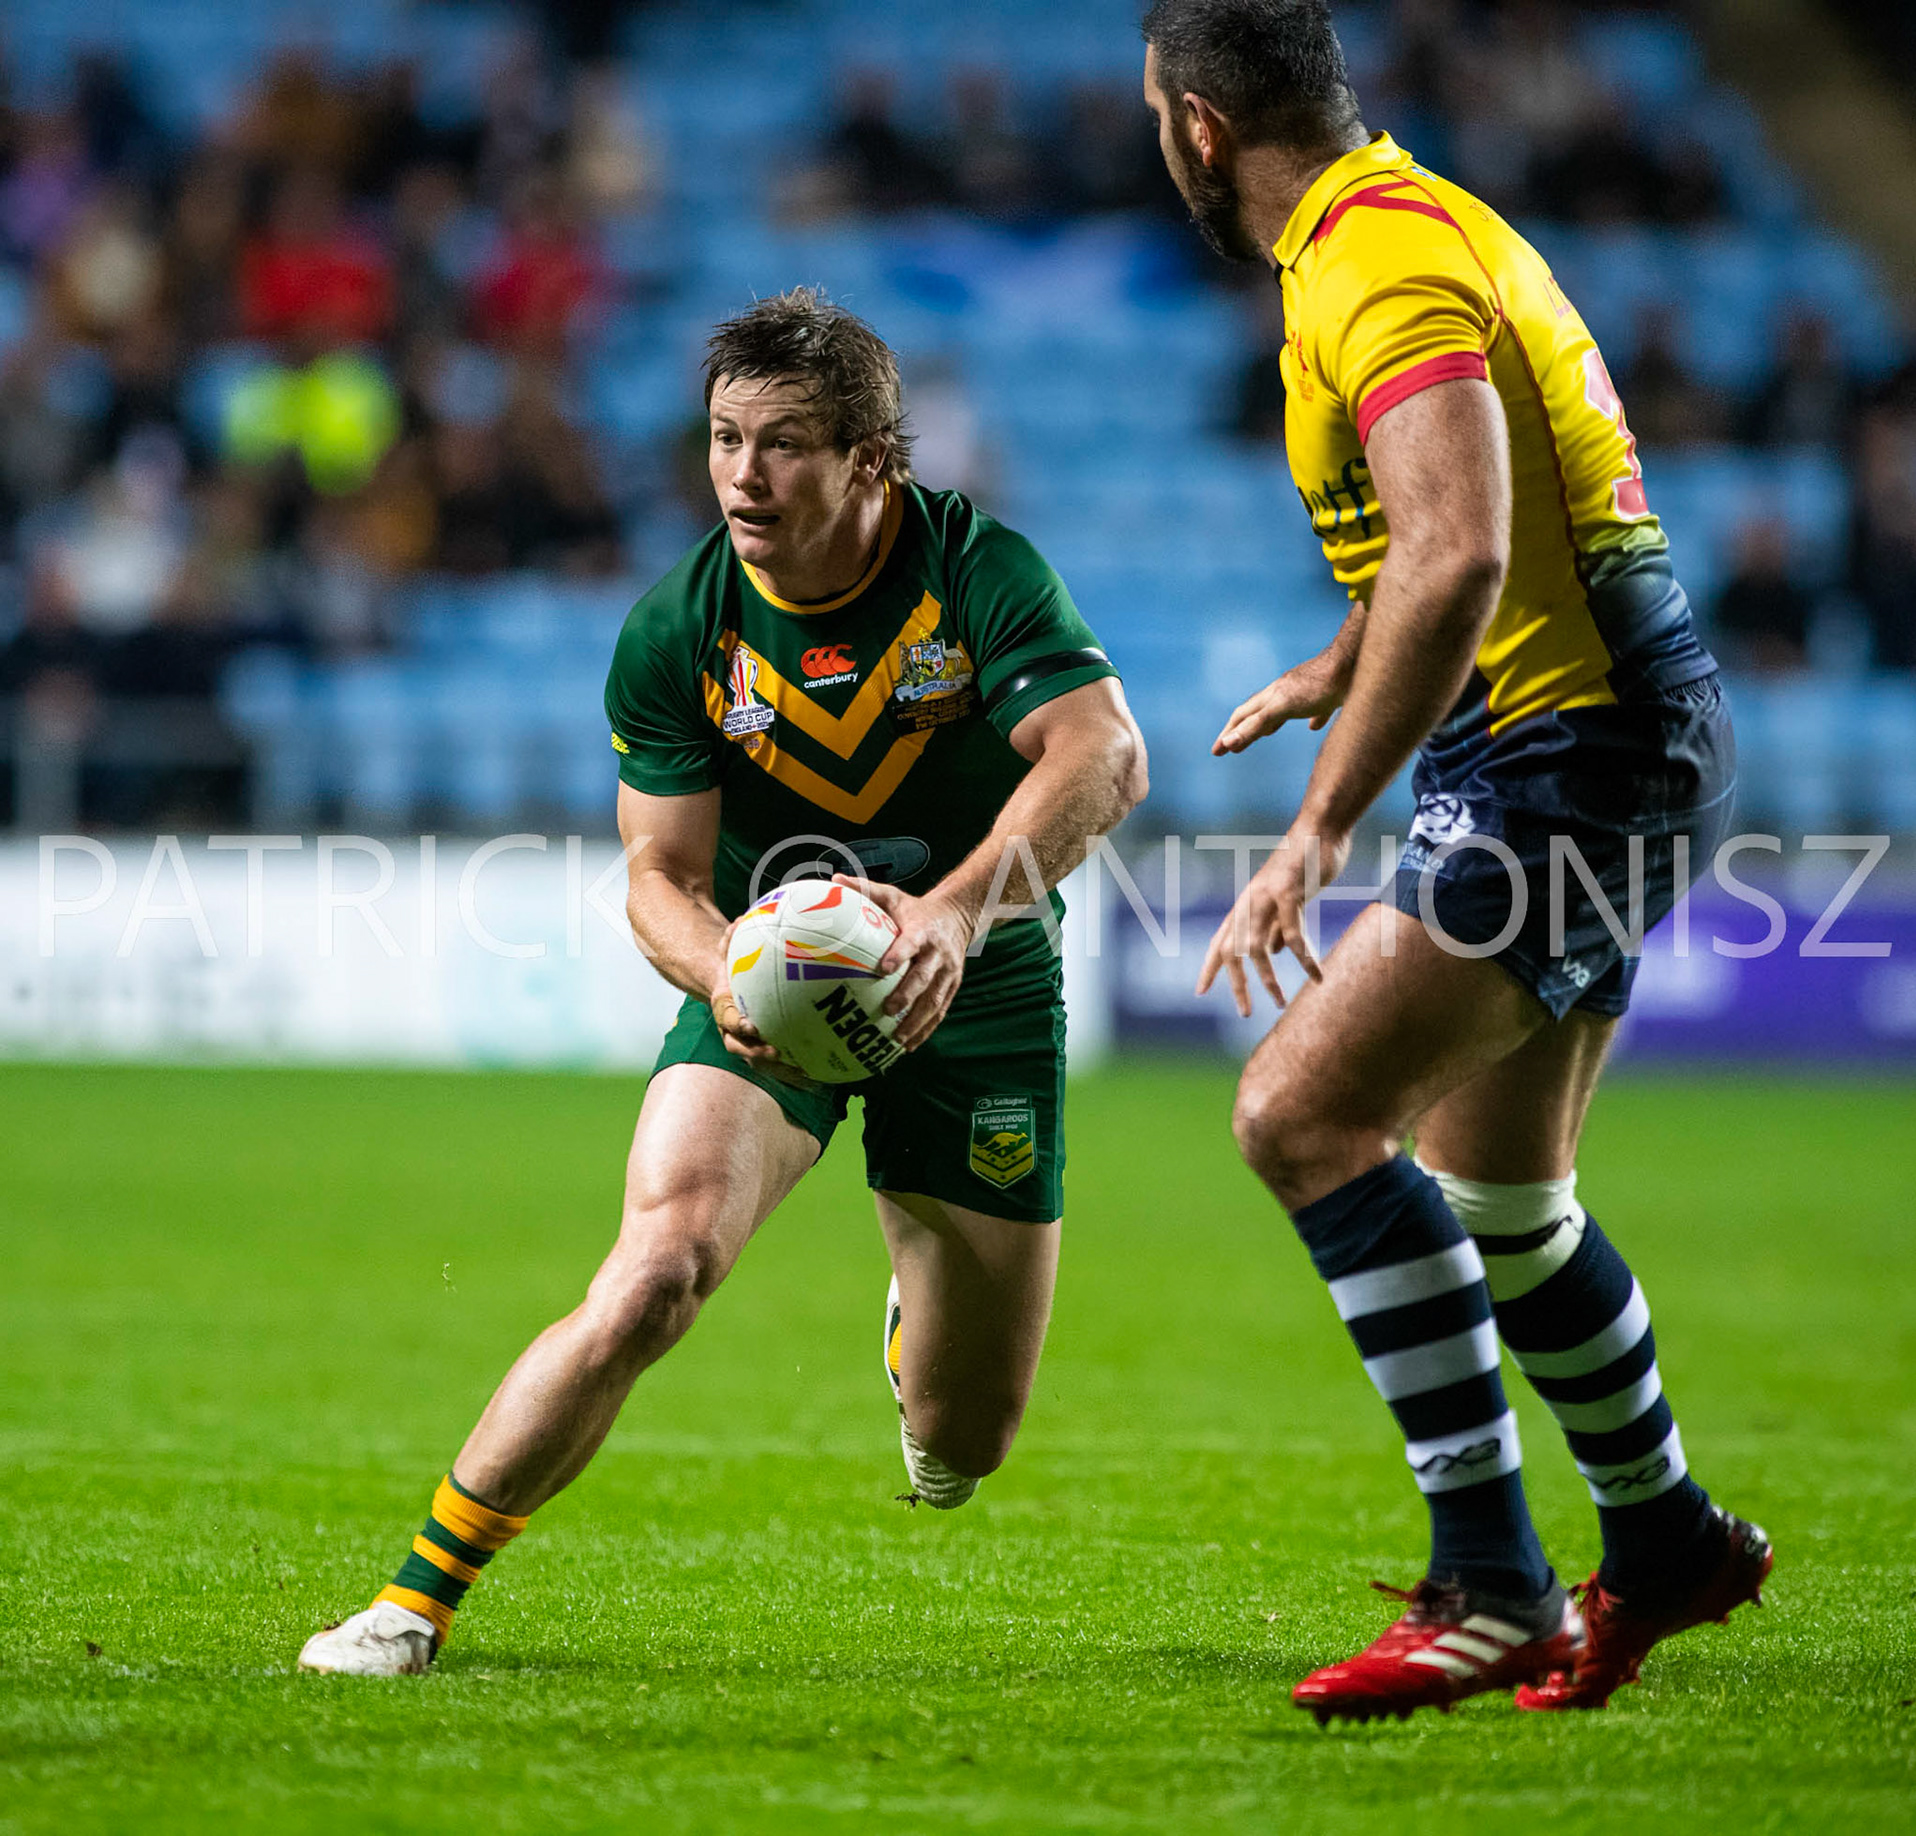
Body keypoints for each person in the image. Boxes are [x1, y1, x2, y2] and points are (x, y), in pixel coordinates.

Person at [297, 288, 1147, 1675]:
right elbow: (655, 877)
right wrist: (728, 982)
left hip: (975, 974)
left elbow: (1104, 757)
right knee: (655, 1272)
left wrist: (945, 919)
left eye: (788, 445)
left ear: (876, 461)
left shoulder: (979, 572)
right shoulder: (676, 629)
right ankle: (412, 1601)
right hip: (777, 982)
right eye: (725, 440)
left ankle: (917, 1327)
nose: (746, 477)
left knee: (963, 1438)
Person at [1141, 0, 1769, 1722]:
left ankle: (1489, 1580)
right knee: (1499, 1193)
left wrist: (1319, 829)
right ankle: (1665, 1547)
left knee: (1300, 1112)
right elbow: (1479, 530)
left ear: (1196, 126)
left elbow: (1462, 551)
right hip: (1593, 735)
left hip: (1579, 752)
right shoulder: (1415, 223)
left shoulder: (1375, 267)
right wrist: (1344, 664)